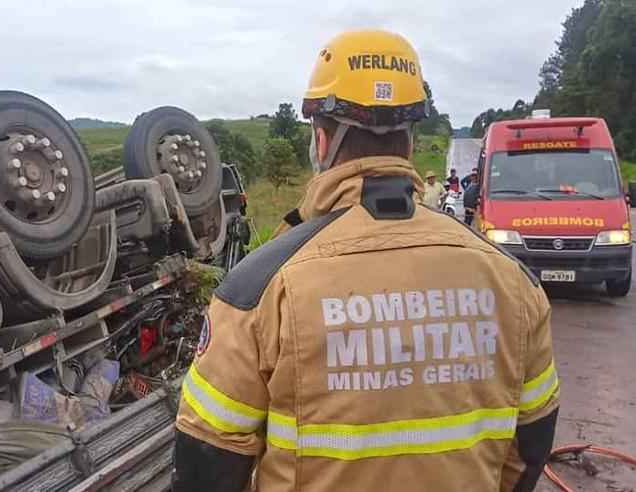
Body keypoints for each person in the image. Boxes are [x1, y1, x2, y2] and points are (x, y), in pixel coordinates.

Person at [173, 29, 559, 492]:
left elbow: (207, 463)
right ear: (410, 144)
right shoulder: (514, 282)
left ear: (320, 141)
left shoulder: (258, 289)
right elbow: (531, 446)